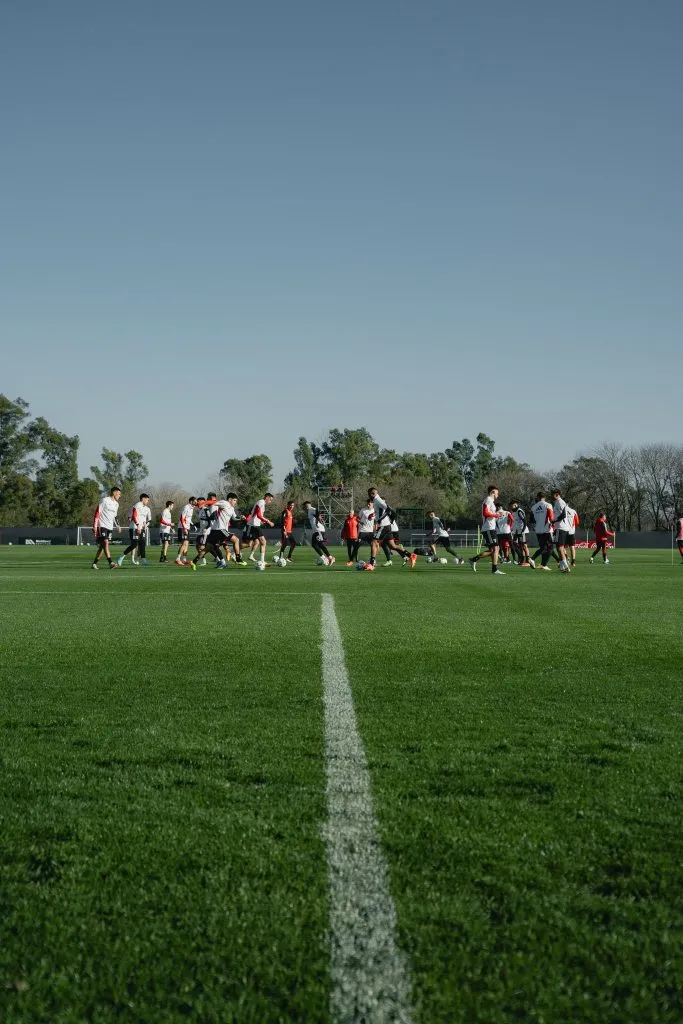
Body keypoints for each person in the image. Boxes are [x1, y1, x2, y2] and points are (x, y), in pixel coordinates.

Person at [192, 492, 246, 569]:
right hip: (220, 529)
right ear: (230, 499)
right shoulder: (225, 503)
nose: (235, 502)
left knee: (209, 548)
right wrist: (203, 503)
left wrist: (240, 518)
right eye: (234, 500)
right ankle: (238, 558)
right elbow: (213, 502)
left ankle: (194, 562)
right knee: (236, 540)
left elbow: (234, 518)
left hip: (215, 530)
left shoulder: (231, 508)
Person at [469, 485, 505, 574]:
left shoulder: (491, 501)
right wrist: (496, 515)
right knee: (496, 548)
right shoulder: (488, 500)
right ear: (492, 492)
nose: (498, 495)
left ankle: (475, 560)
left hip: (491, 528)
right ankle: (494, 569)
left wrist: (497, 515)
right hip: (488, 528)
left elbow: (489, 513)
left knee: (494, 550)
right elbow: (485, 513)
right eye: (497, 493)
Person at [91, 486, 122, 569]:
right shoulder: (105, 500)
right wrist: (95, 525)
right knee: (106, 543)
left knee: (102, 547)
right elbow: (97, 512)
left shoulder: (116, 504)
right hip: (102, 525)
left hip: (110, 527)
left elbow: (115, 516)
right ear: (114, 493)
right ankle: (110, 562)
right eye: (119, 494)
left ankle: (94, 563)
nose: (120, 496)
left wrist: (118, 526)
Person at [118, 493, 152, 566]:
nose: (148, 501)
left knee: (142, 543)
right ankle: (121, 557)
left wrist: (145, 525)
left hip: (142, 528)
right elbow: (133, 516)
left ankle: (143, 559)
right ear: (143, 499)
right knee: (134, 545)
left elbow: (149, 520)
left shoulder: (147, 509)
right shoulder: (137, 505)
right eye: (147, 500)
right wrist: (138, 525)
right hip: (134, 528)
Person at [246, 492, 275, 567]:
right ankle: (262, 561)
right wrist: (268, 521)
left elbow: (257, 514)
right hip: (254, 525)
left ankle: (256, 558)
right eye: (270, 500)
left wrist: (261, 521)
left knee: (254, 542)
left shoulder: (261, 503)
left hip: (255, 524)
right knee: (263, 542)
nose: (270, 502)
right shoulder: (261, 502)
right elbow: (258, 515)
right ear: (267, 497)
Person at [302, 501, 335, 565]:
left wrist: (318, 517)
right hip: (316, 530)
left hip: (319, 530)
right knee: (319, 544)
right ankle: (330, 558)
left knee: (315, 544)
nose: (305, 507)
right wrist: (317, 517)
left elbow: (317, 510)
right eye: (305, 506)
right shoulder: (309, 511)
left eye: (306, 505)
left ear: (309, 505)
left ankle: (325, 558)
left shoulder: (311, 509)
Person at [529, 491, 555, 570]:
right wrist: (553, 525)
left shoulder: (533, 507)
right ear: (544, 497)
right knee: (550, 548)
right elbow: (551, 517)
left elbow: (531, 520)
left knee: (543, 547)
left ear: (537, 497)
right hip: (546, 530)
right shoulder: (548, 505)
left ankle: (543, 565)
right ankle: (532, 559)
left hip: (538, 530)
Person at [551, 489, 572, 573]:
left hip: (561, 527)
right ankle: (562, 566)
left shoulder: (560, 502)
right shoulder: (557, 502)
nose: (551, 496)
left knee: (560, 547)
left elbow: (563, 515)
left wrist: (555, 520)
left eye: (552, 494)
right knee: (559, 547)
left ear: (556, 494)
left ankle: (566, 566)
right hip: (559, 527)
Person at [176, 497, 197, 565]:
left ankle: (184, 560)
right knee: (184, 543)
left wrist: (193, 525)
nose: (196, 503)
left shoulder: (191, 508)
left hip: (187, 527)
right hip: (183, 527)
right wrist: (184, 528)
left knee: (186, 544)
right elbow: (182, 518)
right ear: (191, 501)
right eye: (195, 501)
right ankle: (178, 559)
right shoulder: (186, 507)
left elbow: (188, 518)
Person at [510, 501, 531, 566]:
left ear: (515, 505)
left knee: (524, 546)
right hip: (516, 531)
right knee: (516, 545)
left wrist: (523, 531)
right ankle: (522, 559)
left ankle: (528, 561)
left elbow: (525, 521)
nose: (511, 507)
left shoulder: (519, 511)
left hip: (522, 531)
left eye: (512, 506)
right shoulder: (513, 512)